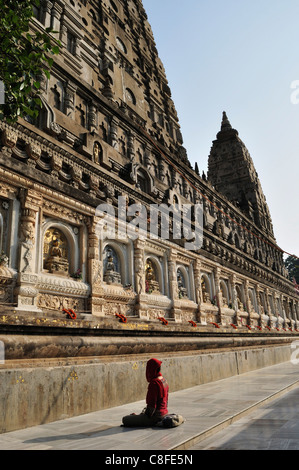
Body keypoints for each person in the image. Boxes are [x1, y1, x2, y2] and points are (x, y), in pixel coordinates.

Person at [122, 358, 169, 427]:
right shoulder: (163, 380)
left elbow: (152, 407)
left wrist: (141, 416)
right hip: (164, 413)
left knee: (125, 419)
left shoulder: (154, 383)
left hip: (155, 417)